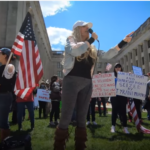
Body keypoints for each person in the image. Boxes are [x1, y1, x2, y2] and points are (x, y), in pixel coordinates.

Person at [0, 48, 16, 142]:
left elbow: (7, 77)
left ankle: (5, 141)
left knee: (3, 119)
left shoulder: (10, 67)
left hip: (5, 95)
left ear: (5, 55)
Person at [110, 63, 129, 134]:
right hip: (114, 96)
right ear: (114, 68)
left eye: (119, 67)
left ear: (121, 68)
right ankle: (113, 126)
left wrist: (130, 75)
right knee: (114, 112)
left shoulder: (125, 76)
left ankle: (125, 127)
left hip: (123, 96)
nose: (118, 68)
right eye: (116, 67)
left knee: (123, 112)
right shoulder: (112, 76)